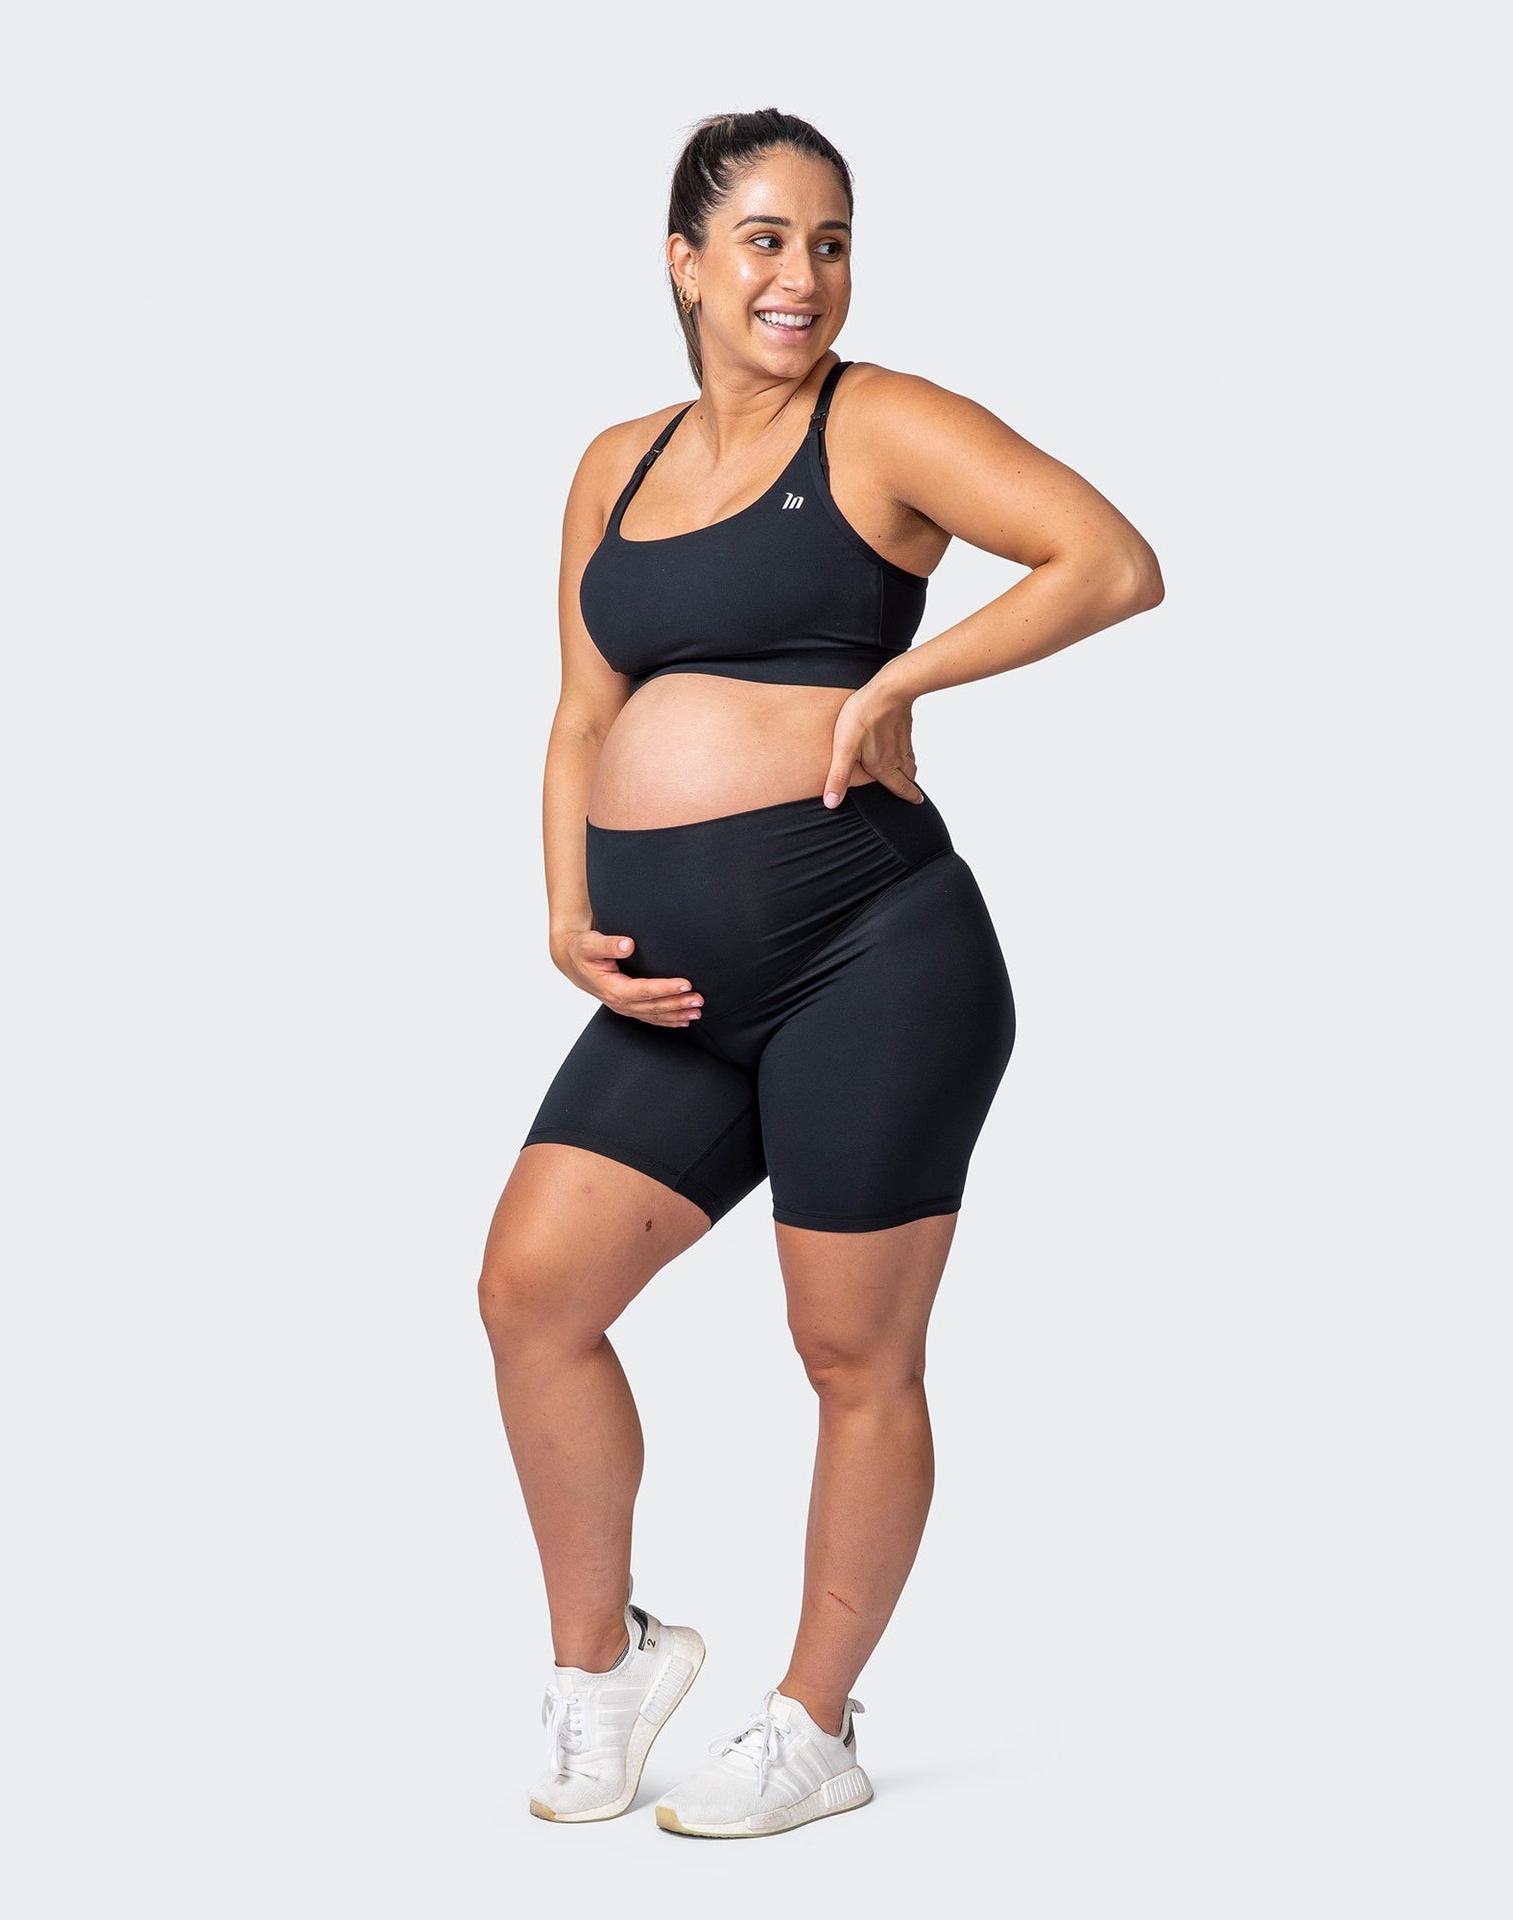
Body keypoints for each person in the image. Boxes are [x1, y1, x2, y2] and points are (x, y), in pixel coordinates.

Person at [478, 107, 1163, 1840]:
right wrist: (565, 910)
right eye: (768, 239)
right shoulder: (614, 463)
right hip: (672, 995)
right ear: (686, 262)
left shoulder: (881, 422)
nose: (804, 275)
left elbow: (1110, 561)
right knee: (533, 1295)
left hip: (873, 961)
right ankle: (605, 1667)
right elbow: (581, 713)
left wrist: (900, 683)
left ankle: (814, 1719)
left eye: (833, 241)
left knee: (850, 1352)